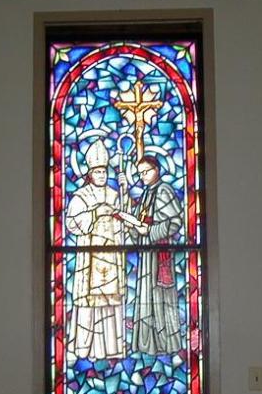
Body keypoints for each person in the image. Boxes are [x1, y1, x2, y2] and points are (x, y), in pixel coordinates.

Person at [65, 139, 125, 360]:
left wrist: (125, 192)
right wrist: (95, 213)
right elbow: (71, 222)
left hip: (111, 253)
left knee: (110, 300)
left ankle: (111, 348)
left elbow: (125, 219)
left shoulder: (114, 194)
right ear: (90, 174)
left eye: (104, 172)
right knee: (88, 302)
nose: (102, 175)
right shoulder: (82, 196)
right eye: (98, 172)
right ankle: (85, 349)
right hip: (90, 257)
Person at [123, 155, 184, 355]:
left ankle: (165, 344)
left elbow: (175, 222)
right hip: (147, 254)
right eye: (140, 173)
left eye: (146, 171)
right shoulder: (146, 194)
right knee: (146, 295)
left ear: (157, 169)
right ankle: (146, 343)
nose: (143, 176)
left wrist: (149, 231)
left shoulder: (164, 190)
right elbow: (140, 222)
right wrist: (132, 225)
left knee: (160, 296)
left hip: (159, 253)